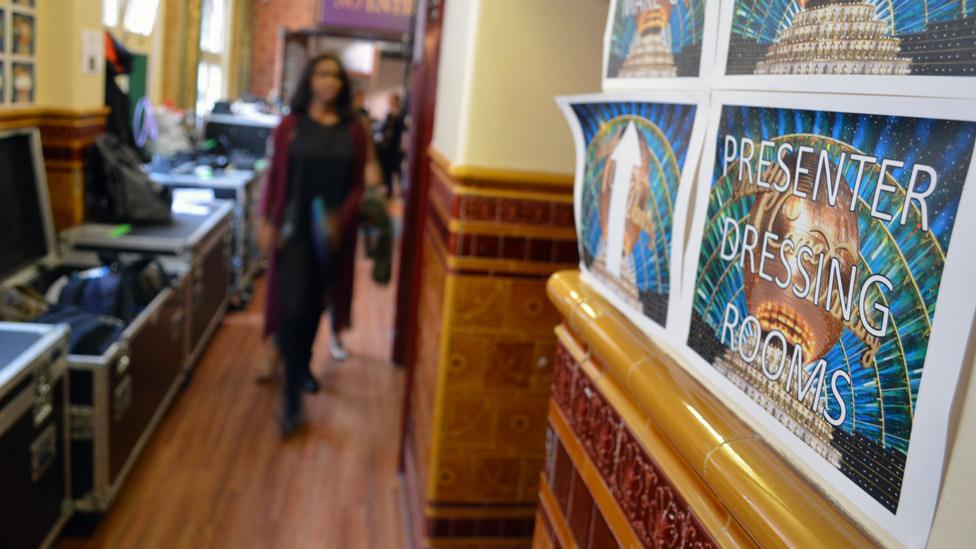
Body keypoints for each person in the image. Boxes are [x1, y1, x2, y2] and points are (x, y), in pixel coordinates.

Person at [258, 53, 380, 437]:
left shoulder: (355, 130)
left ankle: (303, 363)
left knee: (315, 304)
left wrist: (339, 219)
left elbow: (359, 184)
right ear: (309, 79)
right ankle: (291, 398)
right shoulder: (289, 127)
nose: (330, 82)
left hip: (332, 235)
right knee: (293, 305)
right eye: (323, 74)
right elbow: (275, 177)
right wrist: (265, 219)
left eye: (336, 76)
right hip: (293, 231)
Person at [377, 94, 406, 198]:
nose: (391, 103)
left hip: (397, 147)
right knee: (387, 169)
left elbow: (403, 132)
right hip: (387, 147)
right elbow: (383, 129)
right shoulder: (388, 115)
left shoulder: (402, 115)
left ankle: (402, 191)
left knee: (397, 170)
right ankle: (389, 190)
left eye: (393, 100)